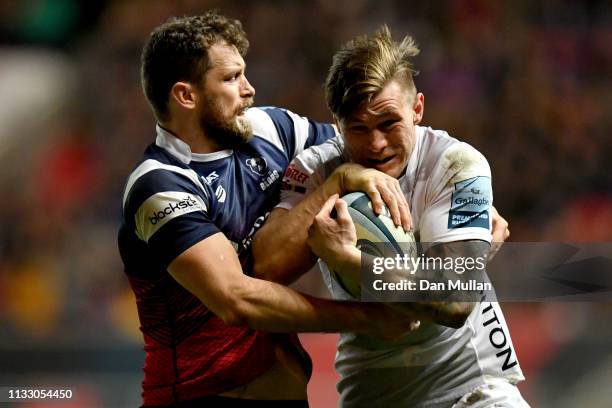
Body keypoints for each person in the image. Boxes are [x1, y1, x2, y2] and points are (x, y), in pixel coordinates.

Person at [118, 12, 423, 407]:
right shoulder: (160, 184)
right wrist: (364, 320)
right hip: (201, 395)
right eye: (230, 79)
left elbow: (371, 146)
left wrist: (461, 190)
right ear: (186, 96)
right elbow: (236, 299)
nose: (249, 89)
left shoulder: (268, 129)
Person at [253, 26, 527, 407]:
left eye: (389, 124)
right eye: (359, 129)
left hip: (469, 386)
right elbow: (265, 267)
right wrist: (337, 184)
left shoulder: (457, 164)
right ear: (337, 123)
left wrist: (349, 260)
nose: (377, 144)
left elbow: (454, 302)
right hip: (372, 387)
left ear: (417, 109)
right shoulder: (318, 170)